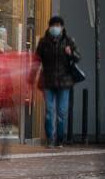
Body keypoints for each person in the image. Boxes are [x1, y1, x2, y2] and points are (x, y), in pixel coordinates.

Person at [31, 16, 81, 148]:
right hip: (48, 81)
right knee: (49, 112)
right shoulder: (43, 42)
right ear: (49, 27)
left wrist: (71, 53)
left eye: (58, 25)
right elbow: (36, 61)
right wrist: (31, 78)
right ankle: (50, 139)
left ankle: (60, 139)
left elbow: (78, 57)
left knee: (61, 113)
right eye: (53, 25)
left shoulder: (69, 41)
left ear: (62, 27)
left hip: (64, 82)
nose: (56, 28)